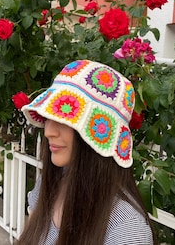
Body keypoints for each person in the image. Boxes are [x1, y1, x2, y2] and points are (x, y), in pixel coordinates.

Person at [17, 60, 156, 245]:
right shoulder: (49, 183)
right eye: (49, 116)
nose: (49, 131)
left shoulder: (126, 229)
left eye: (65, 120)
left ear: (100, 136)